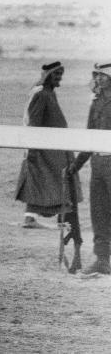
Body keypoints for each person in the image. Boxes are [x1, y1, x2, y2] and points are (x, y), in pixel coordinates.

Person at [15, 62, 82, 258]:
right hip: (45, 151)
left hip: (54, 149)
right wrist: (33, 150)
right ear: (48, 76)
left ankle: (58, 220)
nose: (59, 78)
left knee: (53, 183)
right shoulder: (42, 94)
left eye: (61, 74)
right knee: (50, 182)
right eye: (56, 74)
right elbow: (34, 122)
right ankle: (38, 219)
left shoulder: (49, 93)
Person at [66, 62, 111, 275]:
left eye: (102, 75)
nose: (98, 79)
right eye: (97, 75)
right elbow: (90, 136)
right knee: (99, 214)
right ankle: (102, 261)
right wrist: (76, 165)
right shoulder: (96, 102)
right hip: (98, 165)